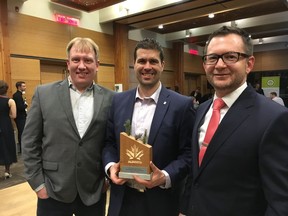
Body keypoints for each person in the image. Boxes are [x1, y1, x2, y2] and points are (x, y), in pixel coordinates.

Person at [180, 26, 288, 215]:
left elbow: (281, 200)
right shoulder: (202, 110)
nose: (220, 65)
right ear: (205, 64)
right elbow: (198, 173)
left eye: (231, 56)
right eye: (212, 57)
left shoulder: (274, 117)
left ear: (249, 63)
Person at [22, 37, 114, 216]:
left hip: (93, 191)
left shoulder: (111, 99)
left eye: (88, 60)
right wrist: (38, 184)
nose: (81, 66)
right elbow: (29, 141)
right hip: (52, 190)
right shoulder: (44, 94)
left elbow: (113, 143)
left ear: (97, 65)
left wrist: (108, 179)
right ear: (68, 63)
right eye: (76, 59)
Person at [102, 38, 195, 216]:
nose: (147, 66)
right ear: (134, 64)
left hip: (161, 201)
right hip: (122, 200)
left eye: (153, 61)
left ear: (162, 65)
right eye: (141, 61)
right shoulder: (118, 101)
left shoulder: (182, 105)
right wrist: (111, 166)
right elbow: (109, 144)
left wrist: (165, 176)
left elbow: (188, 153)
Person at [0, 80, 17, 179]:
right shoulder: (10, 101)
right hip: (6, 125)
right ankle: (7, 171)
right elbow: (14, 115)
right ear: (7, 89)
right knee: (7, 145)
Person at [12, 81, 27, 153]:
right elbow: (20, 107)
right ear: (19, 87)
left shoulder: (19, 95)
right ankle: (22, 149)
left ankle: (22, 148)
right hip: (20, 117)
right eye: (23, 86)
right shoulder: (17, 96)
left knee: (22, 132)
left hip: (21, 117)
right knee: (22, 133)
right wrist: (25, 106)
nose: (25, 87)